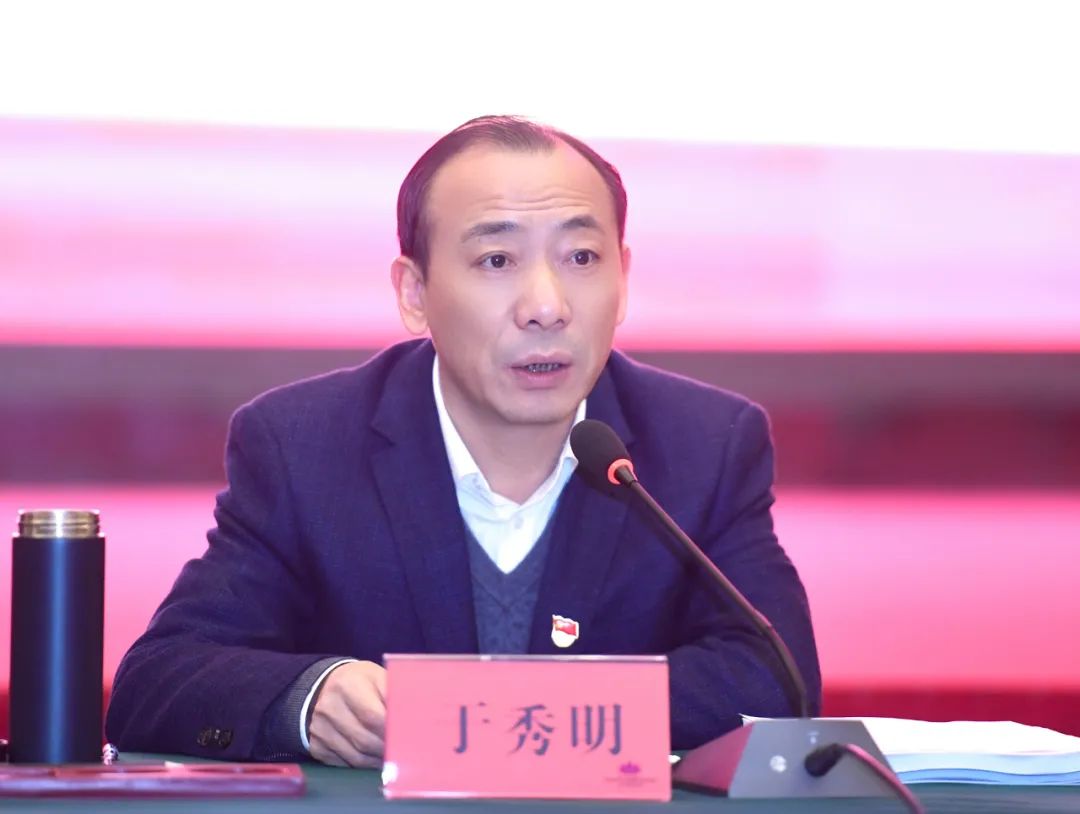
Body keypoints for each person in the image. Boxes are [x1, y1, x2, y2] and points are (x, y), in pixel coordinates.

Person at [105, 115, 821, 767]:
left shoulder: (706, 444)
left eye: (581, 257)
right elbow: (158, 681)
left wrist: (479, 714)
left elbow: (775, 680)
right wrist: (310, 696)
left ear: (623, 278)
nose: (547, 307)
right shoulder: (303, 446)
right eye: (497, 261)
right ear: (414, 294)